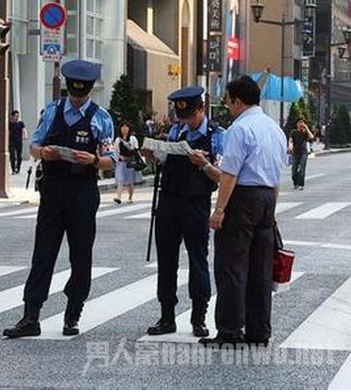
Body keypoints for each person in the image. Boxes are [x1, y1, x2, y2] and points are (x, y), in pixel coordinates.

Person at [3, 60, 116, 338]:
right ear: (68, 88)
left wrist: (93, 160)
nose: (76, 98)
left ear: (89, 90)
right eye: (73, 93)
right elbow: (34, 145)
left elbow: (110, 160)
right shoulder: (52, 111)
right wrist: (44, 153)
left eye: (82, 93)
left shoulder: (101, 117)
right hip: (53, 190)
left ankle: (73, 313)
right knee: (43, 252)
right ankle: (31, 316)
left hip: (83, 191)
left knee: (81, 255)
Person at [198, 76, 287, 348]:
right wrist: (270, 212)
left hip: (242, 197)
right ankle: (259, 330)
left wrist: (219, 209)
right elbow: (277, 175)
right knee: (260, 268)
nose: (227, 105)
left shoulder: (240, 129)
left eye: (228, 100)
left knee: (232, 266)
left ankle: (229, 330)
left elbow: (230, 174)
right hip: (267, 198)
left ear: (237, 100)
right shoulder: (275, 129)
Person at [143, 86, 225, 337]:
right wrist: (152, 156)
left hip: (196, 203)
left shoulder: (217, 135)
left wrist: (204, 164)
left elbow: (224, 176)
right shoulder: (176, 132)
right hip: (168, 201)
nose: (186, 121)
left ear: (201, 109)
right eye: (182, 116)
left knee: (198, 259)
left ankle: (198, 317)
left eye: (191, 116)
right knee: (166, 261)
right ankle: (166, 316)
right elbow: (164, 161)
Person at [114, 121, 143, 204]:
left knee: (130, 182)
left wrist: (131, 149)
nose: (124, 129)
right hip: (121, 162)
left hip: (130, 162)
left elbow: (136, 150)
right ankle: (118, 197)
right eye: (122, 127)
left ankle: (130, 197)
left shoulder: (133, 139)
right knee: (120, 180)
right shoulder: (118, 140)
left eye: (126, 127)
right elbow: (115, 151)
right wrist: (119, 157)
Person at [289, 117, 314, 191]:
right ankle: (295, 183)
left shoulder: (305, 132)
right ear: (297, 124)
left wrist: (306, 128)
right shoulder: (293, 132)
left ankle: (301, 184)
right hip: (295, 153)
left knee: (302, 169)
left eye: (302, 123)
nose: (300, 124)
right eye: (299, 122)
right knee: (294, 170)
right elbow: (290, 141)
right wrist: (290, 147)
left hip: (303, 153)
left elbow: (311, 137)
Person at [9, 110, 27, 174]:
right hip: (11, 141)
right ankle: (13, 169)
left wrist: (25, 135)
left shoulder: (21, 123)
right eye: (16, 116)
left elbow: (24, 130)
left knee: (19, 156)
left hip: (19, 141)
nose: (17, 117)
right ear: (12, 116)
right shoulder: (10, 124)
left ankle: (18, 168)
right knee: (12, 156)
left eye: (18, 116)